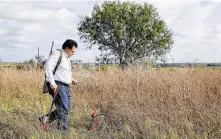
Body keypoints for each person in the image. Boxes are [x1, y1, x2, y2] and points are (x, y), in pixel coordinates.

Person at [39, 39, 78, 134]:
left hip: (66, 86)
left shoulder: (67, 59)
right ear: (67, 49)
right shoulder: (57, 54)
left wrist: (71, 79)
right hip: (58, 85)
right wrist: (52, 84)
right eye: (72, 51)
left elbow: (62, 72)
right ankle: (62, 133)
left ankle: (45, 118)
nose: (73, 53)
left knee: (66, 109)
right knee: (64, 110)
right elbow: (47, 67)